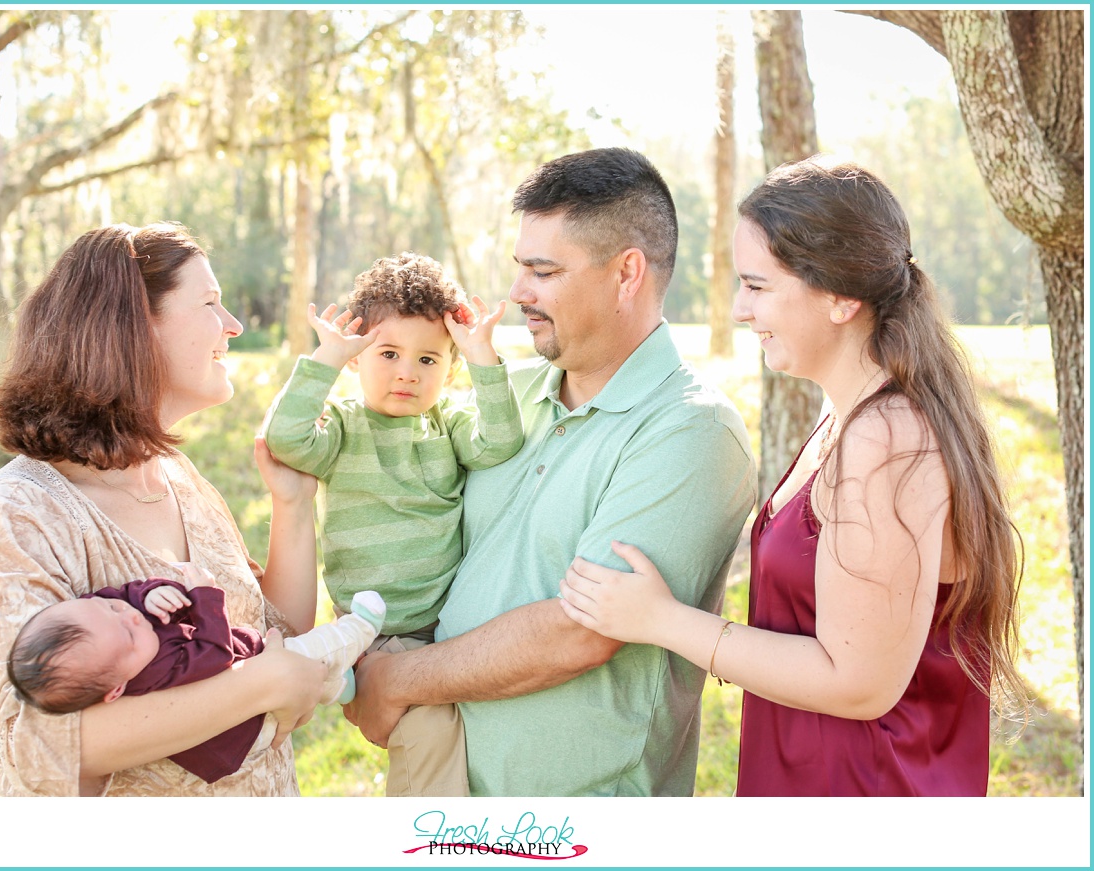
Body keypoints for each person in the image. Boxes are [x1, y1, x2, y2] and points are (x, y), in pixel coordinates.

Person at [559, 157, 1029, 796]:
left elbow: (858, 681)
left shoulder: (887, 438)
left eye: (757, 286)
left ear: (839, 297)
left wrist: (662, 621)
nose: (740, 310)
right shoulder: (851, 418)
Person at [345, 148, 757, 796]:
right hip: (440, 788)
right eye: (520, 269)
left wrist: (395, 680)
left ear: (626, 274)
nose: (518, 293)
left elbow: (580, 631)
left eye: (543, 271)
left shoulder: (690, 431)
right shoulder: (504, 396)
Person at [0, 221, 328, 797]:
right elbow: (34, 743)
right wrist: (257, 687)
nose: (234, 326)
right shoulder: (13, 509)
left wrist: (294, 503)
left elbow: (277, 637)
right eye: (210, 303)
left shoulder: (180, 480)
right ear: (132, 329)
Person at [262, 251, 524, 796]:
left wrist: (482, 357)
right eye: (388, 353)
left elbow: (500, 441)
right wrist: (325, 359)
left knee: (470, 729)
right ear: (358, 358)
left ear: (449, 369)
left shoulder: (447, 425)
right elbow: (287, 439)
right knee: (430, 731)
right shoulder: (341, 427)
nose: (407, 371)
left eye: (429, 360)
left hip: (446, 627)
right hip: (376, 630)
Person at [6, 565, 385, 784]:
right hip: (246, 729)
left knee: (302, 671)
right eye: (127, 632)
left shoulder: (112, 643)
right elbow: (215, 654)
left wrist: (147, 595)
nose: (131, 616)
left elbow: (121, 594)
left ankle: (338, 686)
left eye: (110, 608)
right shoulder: (157, 673)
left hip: (248, 690)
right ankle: (359, 629)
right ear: (116, 689)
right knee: (304, 654)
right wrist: (205, 594)